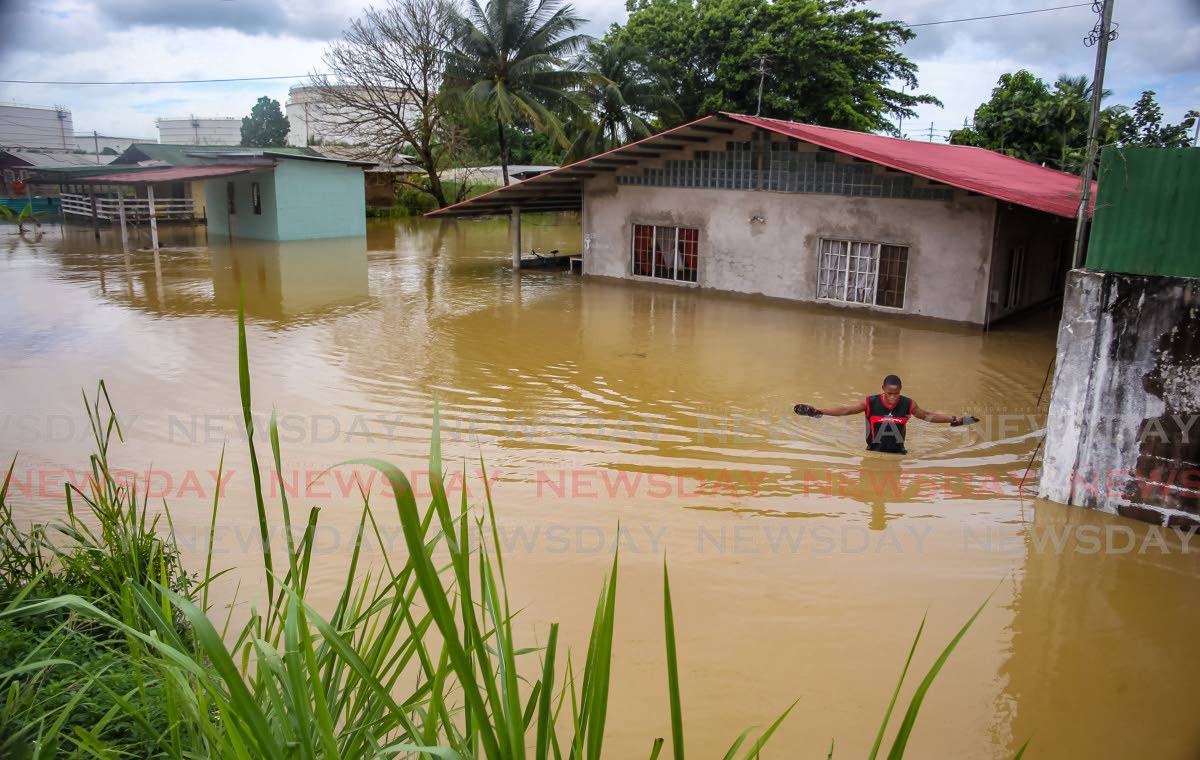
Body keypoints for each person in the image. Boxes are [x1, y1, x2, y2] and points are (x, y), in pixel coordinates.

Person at [794, 374, 970, 455]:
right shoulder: (871, 403)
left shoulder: (908, 404)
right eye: (889, 393)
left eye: (896, 393)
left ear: (900, 391)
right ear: (883, 390)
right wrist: (820, 411)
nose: (893, 398)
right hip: (872, 453)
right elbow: (846, 410)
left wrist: (954, 419)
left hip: (899, 454)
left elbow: (928, 416)